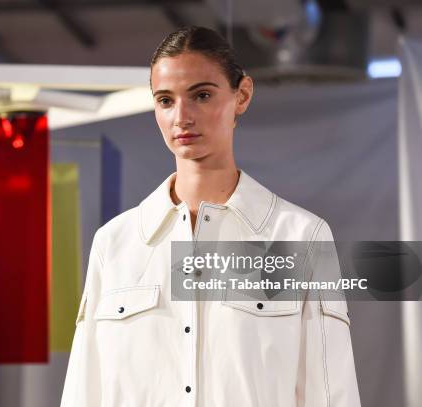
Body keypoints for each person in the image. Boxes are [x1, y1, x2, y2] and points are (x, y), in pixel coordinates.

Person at [60, 26, 361, 407]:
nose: (181, 117)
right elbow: (85, 389)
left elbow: (330, 391)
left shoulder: (301, 235)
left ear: (243, 95)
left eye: (201, 95)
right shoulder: (114, 243)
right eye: (165, 100)